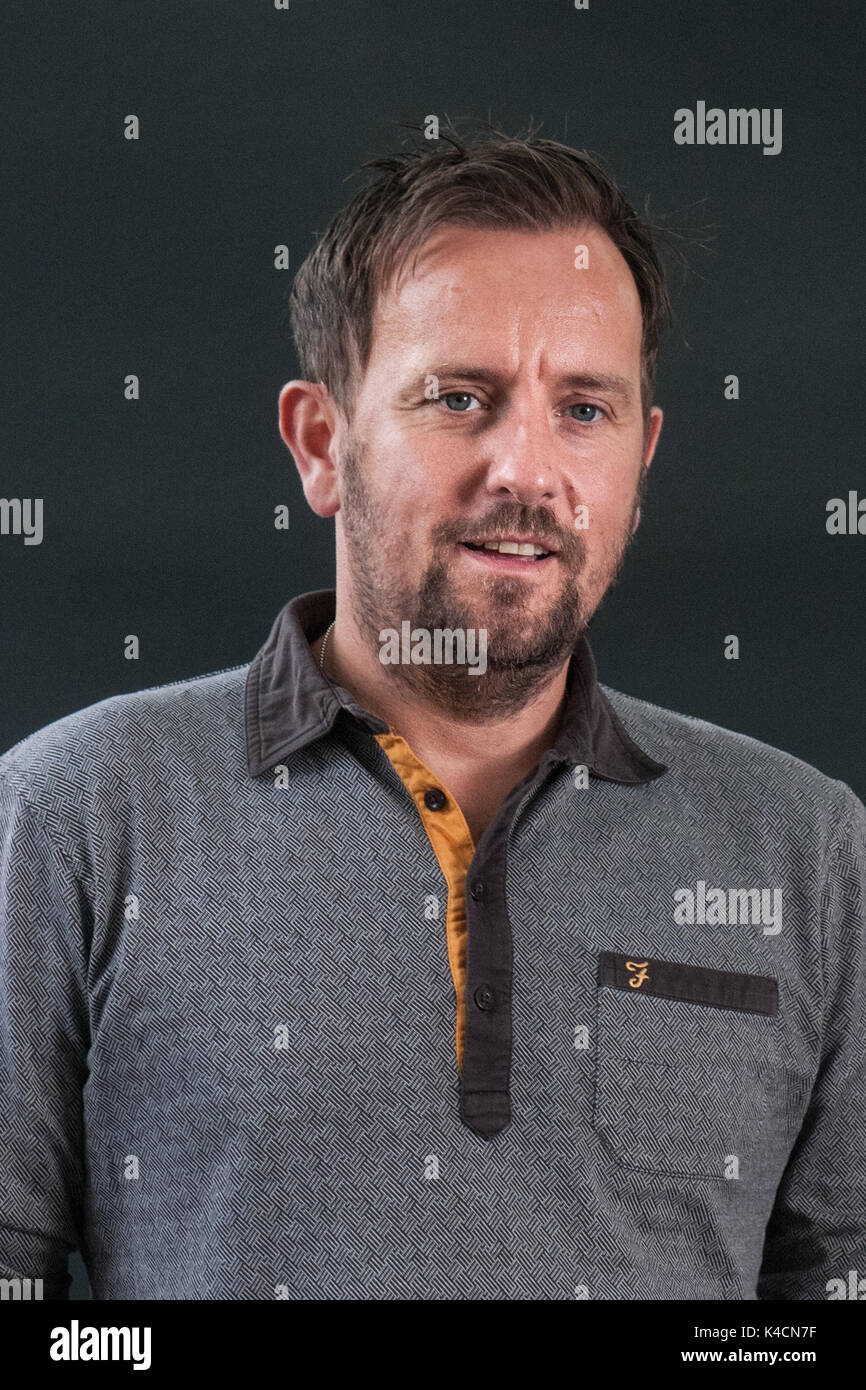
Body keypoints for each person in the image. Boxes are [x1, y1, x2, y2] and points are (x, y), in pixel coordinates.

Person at [1, 126, 864, 1301]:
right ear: (321, 444)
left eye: (584, 410)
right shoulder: (71, 817)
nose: (526, 468)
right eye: (459, 398)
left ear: (640, 457)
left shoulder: (806, 852)